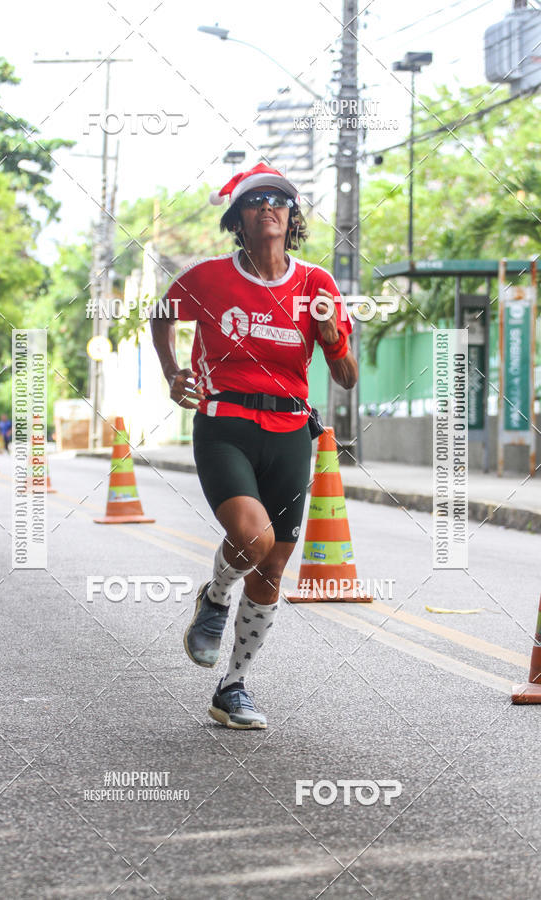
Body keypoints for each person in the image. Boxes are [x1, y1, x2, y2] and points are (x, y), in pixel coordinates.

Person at [151, 162, 358, 730]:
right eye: (255, 200)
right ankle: (216, 595)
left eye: (279, 200)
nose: (268, 206)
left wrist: (333, 336)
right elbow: (161, 315)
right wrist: (173, 373)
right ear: (238, 219)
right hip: (226, 425)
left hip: (292, 431)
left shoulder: (317, 285)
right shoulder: (209, 278)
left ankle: (233, 686)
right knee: (253, 537)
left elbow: (346, 376)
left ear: (292, 218)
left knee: (273, 563)